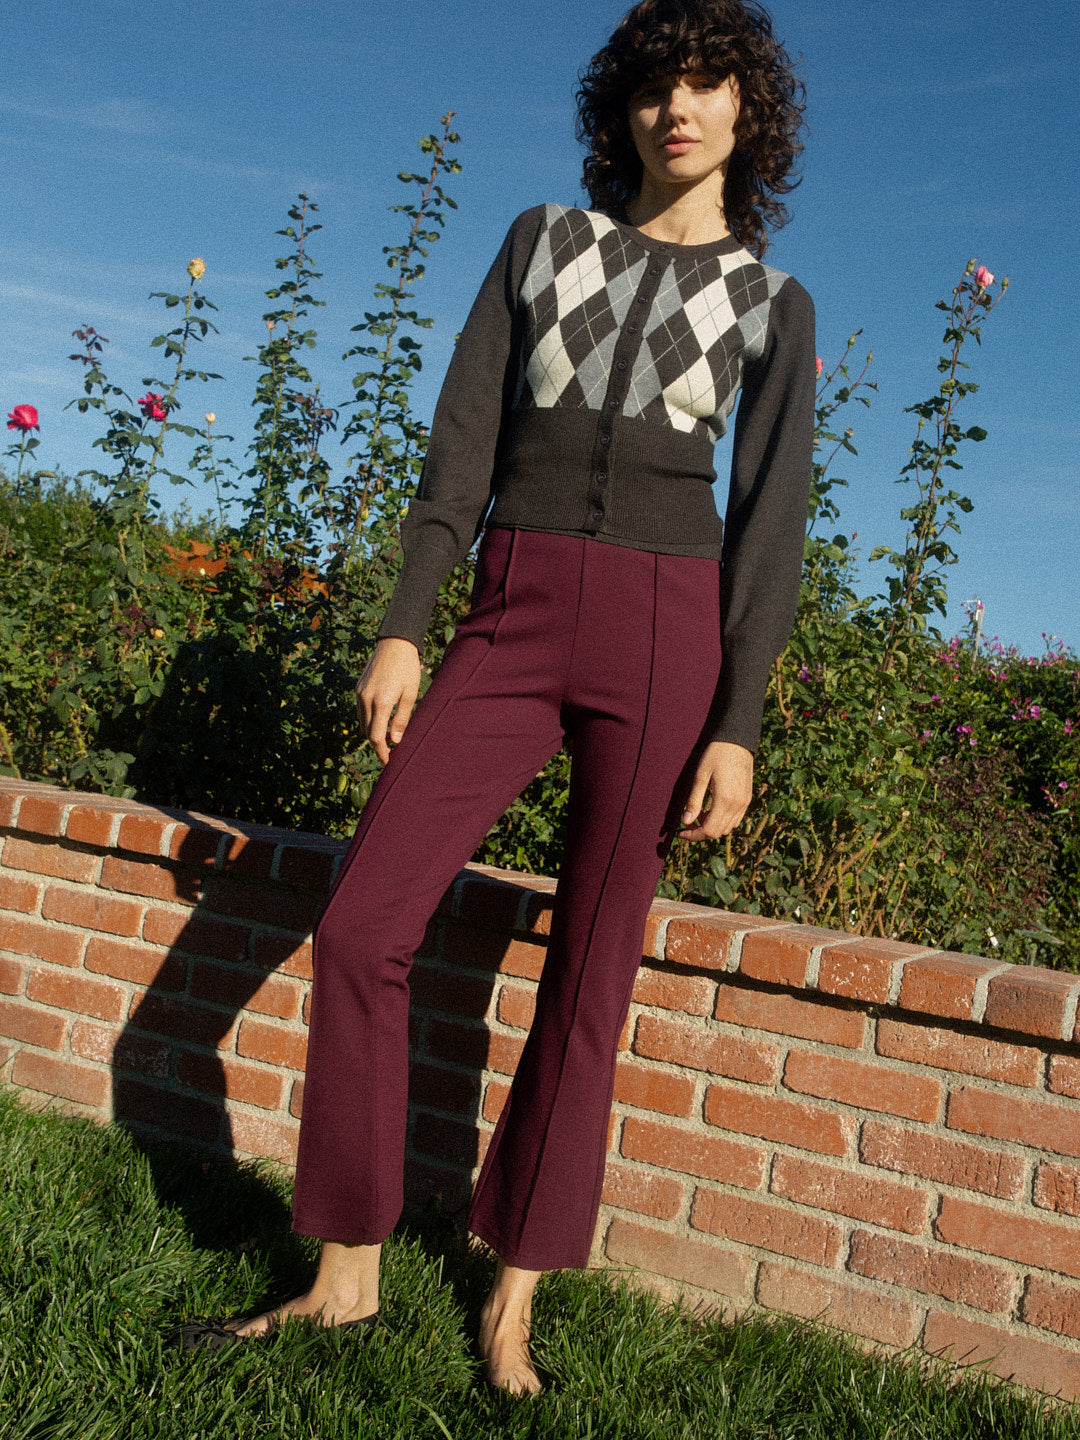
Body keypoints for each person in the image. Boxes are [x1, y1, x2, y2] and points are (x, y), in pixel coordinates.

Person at [170, 0, 813, 1396]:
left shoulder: (771, 303)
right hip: (510, 610)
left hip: (665, 637)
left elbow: (770, 526)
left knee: (593, 966)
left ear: (746, 111)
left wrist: (740, 723)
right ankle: (347, 1271)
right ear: (621, 110)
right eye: (653, 86)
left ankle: (513, 1295)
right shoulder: (544, 242)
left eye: (708, 83)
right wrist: (406, 624)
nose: (677, 108)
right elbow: (463, 437)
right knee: (364, 921)